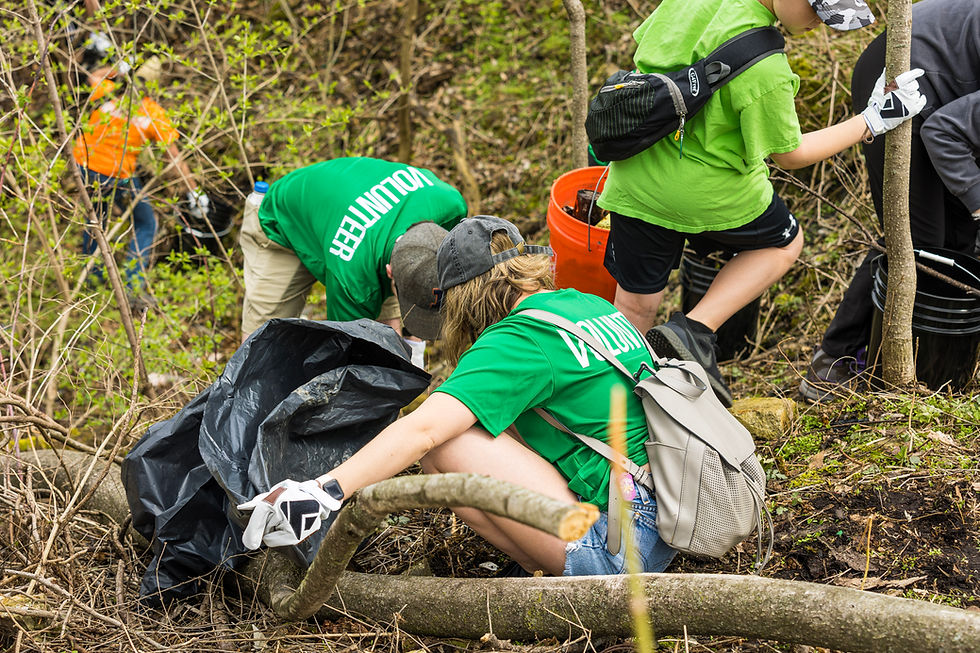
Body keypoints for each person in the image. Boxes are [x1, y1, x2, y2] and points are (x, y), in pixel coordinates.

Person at [236, 216, 677, 577]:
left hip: (623, 550)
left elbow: (426, 428)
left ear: (464, 296)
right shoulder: (585, 305)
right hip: (666, 515)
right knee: (493, 420)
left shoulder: (521, 337)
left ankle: (563, 580)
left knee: (448, 444)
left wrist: (324, 490)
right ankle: (548, 567)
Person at [595, 0, 925, 407]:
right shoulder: (766, 66)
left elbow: (646, 49)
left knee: (634, 307)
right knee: (784, 243)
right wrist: (872, 120)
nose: (817, 26)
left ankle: (612, 408)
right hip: (709, 194)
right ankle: (694, 331)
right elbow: (792, 154)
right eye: (815, 11)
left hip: (636, 179)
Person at [800, 0, 980, 402]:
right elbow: (945, 132)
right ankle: (834, 359)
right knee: (919, 243)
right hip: (901, 77)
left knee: (961, 243)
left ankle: (934, 361)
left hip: (952, 96)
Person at [239, 158, 468, 365]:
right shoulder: (353, 281)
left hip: (351, 224)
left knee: (388, 333)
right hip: (281, 225)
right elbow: (347, 357)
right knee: (262, 345)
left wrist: (414, 352)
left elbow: (425, 283)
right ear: (389, 272)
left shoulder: (451, 207)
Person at [72, 55, 205, 301]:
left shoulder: (108, 94)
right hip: (115, 174)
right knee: (146, 223)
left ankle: (91, 282)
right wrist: (193, 191)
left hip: (83, 166)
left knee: (95, 219)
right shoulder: (153, 113)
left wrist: (117, 67)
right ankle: (133, 285)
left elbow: (94, 76)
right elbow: (173, 158)